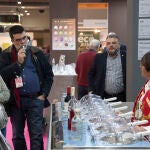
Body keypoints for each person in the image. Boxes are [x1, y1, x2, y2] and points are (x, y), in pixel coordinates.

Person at [0, 25, 54, 150]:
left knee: (36, 135)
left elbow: (49, 76)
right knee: (17, 135)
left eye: (24, 38)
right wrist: (17, 62)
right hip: (15, 101)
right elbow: (2, 76)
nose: (23, 42)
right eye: (18, 40)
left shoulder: (37, 53)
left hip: (35, 99)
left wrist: (43, 94)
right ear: (12, 41)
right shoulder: (6, 55)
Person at [88, 34, 126, 102]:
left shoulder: (126, 57)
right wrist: (91, 89)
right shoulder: (99, 57)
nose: (111, 45)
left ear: (119, 45)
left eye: (114, 43)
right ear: (106, 46)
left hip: (122, 97)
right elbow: (90, 74)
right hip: (104, 97)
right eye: (108, 43)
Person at [131, 51, 150, 132]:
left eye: (142, 65)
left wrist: (143, 129)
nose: (140, 67)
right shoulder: (147, 84)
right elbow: (141, 109)